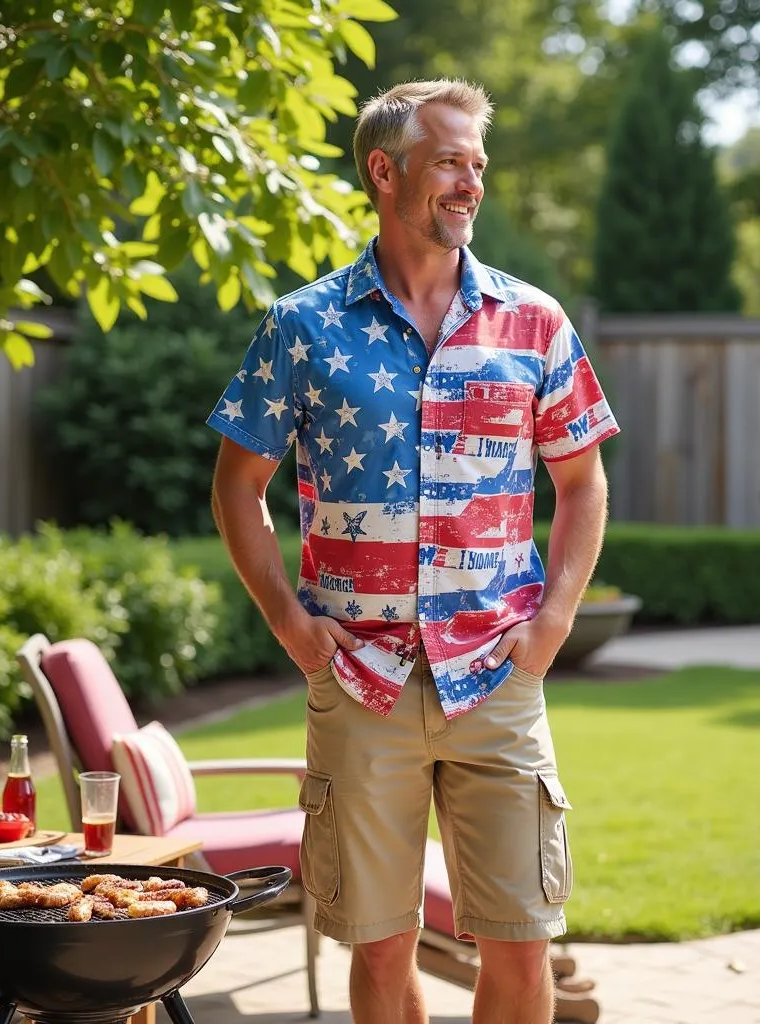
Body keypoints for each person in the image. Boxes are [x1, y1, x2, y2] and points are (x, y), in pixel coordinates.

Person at [207, 79, 619, 1024]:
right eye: (448, 161)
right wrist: (290, 622)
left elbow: (583, 483)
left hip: (497, 673)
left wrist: (553, 622)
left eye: (478, 163)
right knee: (383, 953)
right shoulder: (304, 327)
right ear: (384, 172)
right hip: (358, 678)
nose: (470, 182)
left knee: (522, 948)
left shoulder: (534, 322)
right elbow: (237, 486)